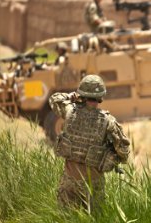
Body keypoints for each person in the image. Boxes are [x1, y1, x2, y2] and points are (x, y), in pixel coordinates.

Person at [49, 74, 130, 213]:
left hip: (70, 180)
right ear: (101, 97)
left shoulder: (69, 111)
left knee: (65, 222)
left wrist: (72, 96)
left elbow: (54, 99)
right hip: (94, 183)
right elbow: (124, 151)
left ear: (82, 94)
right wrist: (113, 156)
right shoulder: (108, 121)